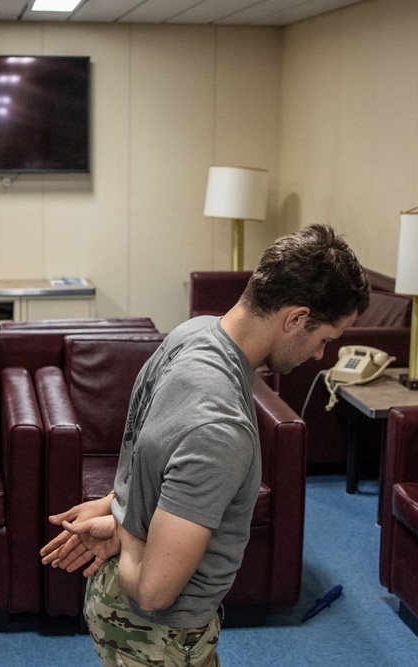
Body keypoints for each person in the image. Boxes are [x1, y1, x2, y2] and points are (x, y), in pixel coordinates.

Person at [41, 224, 370, 667]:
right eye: (324, 339)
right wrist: (124, 528)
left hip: (120, 604)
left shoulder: (192, 334)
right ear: (295, 318)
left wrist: (114, 504)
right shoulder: (220, 427)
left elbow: (155, 456)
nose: (319, 356)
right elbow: (155, 591)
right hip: (157, 633)